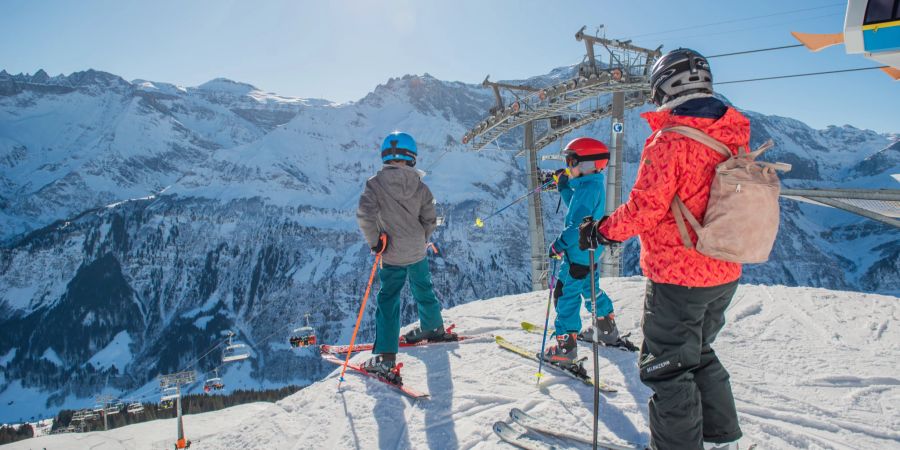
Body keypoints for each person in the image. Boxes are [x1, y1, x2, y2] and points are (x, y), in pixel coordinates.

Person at [579, 48, 745, 450]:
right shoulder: (732, 133)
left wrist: (603, 231)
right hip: (723, 270)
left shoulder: (670, 141)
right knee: (699, 353)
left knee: (666, 368)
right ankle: (722, 441)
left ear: (663, 87)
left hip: (679, 274)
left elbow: (645, 209)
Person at [356, 131, 456, 383]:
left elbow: (365, 216)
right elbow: (430, 219)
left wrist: (375, 242)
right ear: (411, 157)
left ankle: (385, 357)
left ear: (385, 156)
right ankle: (433, 327)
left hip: (391, 253)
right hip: (416, 249)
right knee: (423, 287)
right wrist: (421, 237)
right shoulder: (420, 186)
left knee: (389, 299)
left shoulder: (375, 184)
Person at [542, 137, 633, 369]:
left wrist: (558, 245)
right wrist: (563, 186)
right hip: (590, 252)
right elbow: (577, 206)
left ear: (588, 164)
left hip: (576, 254)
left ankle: (565, 348)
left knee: (565, 295)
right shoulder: (591, 185)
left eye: (571, 160)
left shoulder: (586, 189)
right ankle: (606, 328)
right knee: (590, 289)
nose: (568, 165)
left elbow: (574, 226)